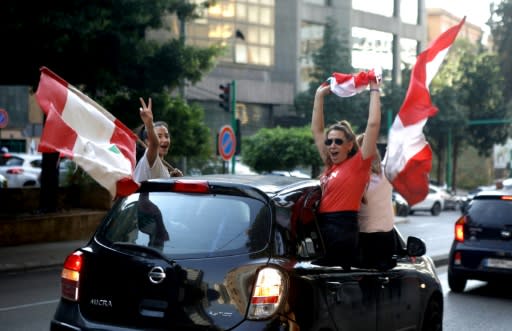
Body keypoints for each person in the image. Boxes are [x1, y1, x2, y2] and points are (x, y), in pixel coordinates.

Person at [311, 78, 381, 270]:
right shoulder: (330, 165)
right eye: (329, 141)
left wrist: (374, 88)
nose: (332, 145)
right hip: (323, 229)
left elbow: (373, 125)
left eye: (338, 142)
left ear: (350, 145)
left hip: (342, 231)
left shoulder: (359, 164)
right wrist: (319, 95)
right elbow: (317, 130)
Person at [356, 133, 397, 270]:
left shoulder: (352, 177)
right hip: (387, 238)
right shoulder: (387, 172)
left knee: (365, 283)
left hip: (363, 238)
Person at [134, 97, 183, 182]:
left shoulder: (164, 168)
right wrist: (149, 123)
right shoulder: (149, 161)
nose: (165, 140)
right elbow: (154, 144)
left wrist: (173, 180)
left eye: (167, 136)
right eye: (159, 136)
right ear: (147, 141)